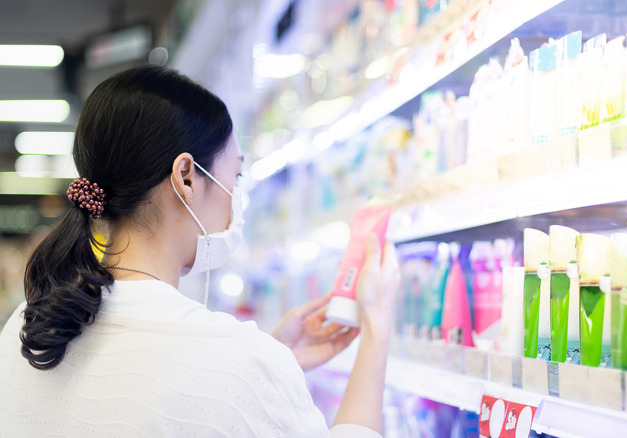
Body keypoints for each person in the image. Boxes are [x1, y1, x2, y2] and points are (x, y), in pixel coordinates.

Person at [0, 65, 400, 437]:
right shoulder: (240, 360)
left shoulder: (29, 326)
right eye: (236, 175)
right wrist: (377, 329)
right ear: (187, 178)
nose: (236, 196)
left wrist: (273, 366)